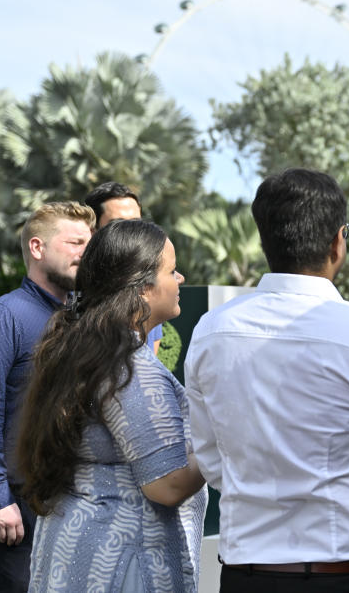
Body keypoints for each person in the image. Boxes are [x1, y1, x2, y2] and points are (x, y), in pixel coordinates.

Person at [185, 168, 349, 593]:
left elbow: (211, 457)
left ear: (265, 242)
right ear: (338, 241)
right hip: (345, 569)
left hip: (247, 572)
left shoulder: (211, 330)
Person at [17, 219, 207, 592]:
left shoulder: (84, 347)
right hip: (123, 564)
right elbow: (166, 485)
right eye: (171, 270)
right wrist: (223, 439)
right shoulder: (129, 366)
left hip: (76, 553)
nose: (180, 279)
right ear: (143, 289)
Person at [0, 201, 96, 592]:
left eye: (90, 242)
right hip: (19, 508)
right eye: (75, 242)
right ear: (37, 248)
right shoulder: (2, 318)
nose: (86, 252)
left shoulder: (83, 321)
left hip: (76, 503)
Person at [83, 181, 163, 354]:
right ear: (93, 231)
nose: (130, 232)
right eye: (118, 224)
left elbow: (152, 363)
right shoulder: (72, 296)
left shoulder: (150, 295)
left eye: (136, 223)